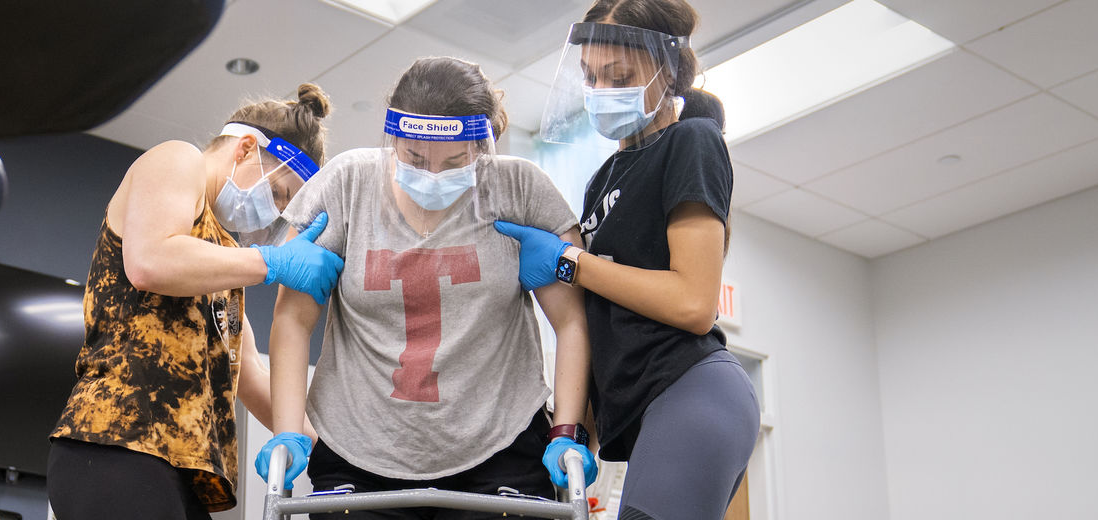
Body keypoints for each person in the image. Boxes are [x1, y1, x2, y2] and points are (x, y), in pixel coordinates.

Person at [260, 57, 594, 519]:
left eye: (455, 162)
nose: (433, 175)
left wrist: (566, 431)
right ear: (392, 139)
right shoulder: (347, 183)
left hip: (497, 444)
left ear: (482, 148)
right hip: (360, 447)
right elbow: (293, 319)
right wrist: (286, 429)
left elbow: (572, 321)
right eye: (415, 158)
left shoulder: (519, 188)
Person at [495, 1, 758, 520]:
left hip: (692, 388)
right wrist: (575, 436)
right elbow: (603, 323)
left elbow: (693, 304)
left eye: (618, 76)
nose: (601, 92)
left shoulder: (692, 142)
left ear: (669, 67)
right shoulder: (603, 179)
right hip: (638, 411)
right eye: (591, 77)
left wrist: (569, 260)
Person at [48, 84, 345, 519]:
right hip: (116, 441)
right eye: (280, 192)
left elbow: (251, 378)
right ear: (245, 149)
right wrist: (270, 261)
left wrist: (331, 455)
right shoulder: (176, 159)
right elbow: (149, 261)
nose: (277, 210)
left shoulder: (222, 259)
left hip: (180, 468)